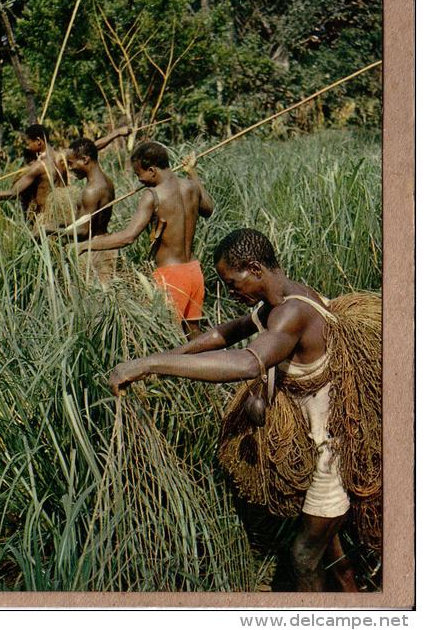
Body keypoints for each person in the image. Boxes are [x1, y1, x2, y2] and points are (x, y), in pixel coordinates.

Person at [109, 228, 381, 592]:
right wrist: (156, 356)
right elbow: (224, 334)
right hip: (317, 440)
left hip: (333, 451)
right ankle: (351, 594)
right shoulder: (275, 303)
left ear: (254, 268)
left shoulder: (292, 312)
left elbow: (249, 362)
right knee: (324, 544)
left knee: (303, 555)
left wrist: (151, 366)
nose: (229, 291)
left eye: (232, 281)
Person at [75, 140, 214, 337]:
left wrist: (86, 245)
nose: (138, 180)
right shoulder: (190, 186)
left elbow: (128, 237)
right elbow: (208, 209)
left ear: (151, 170)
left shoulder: (152, 196)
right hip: (193, 272)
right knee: (194, 333)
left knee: (167, 337)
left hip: (171, 276)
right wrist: (192, 172)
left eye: (138, 174)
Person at [0, 124, 77, 233]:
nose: (27, 147)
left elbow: (12, 193)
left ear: (38, 141)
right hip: (66, 218)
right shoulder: (62, 157)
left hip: (47, 222)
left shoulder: (39, 167)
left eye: (28, 143)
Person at [65, 137, 117, 283]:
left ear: (85, 160)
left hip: (92, 250)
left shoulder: (92, 190)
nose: (70, 168)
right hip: (104, 245)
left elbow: (83, 230)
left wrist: (52, 233)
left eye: (71, 163)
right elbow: (87, 219)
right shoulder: (106, 181)